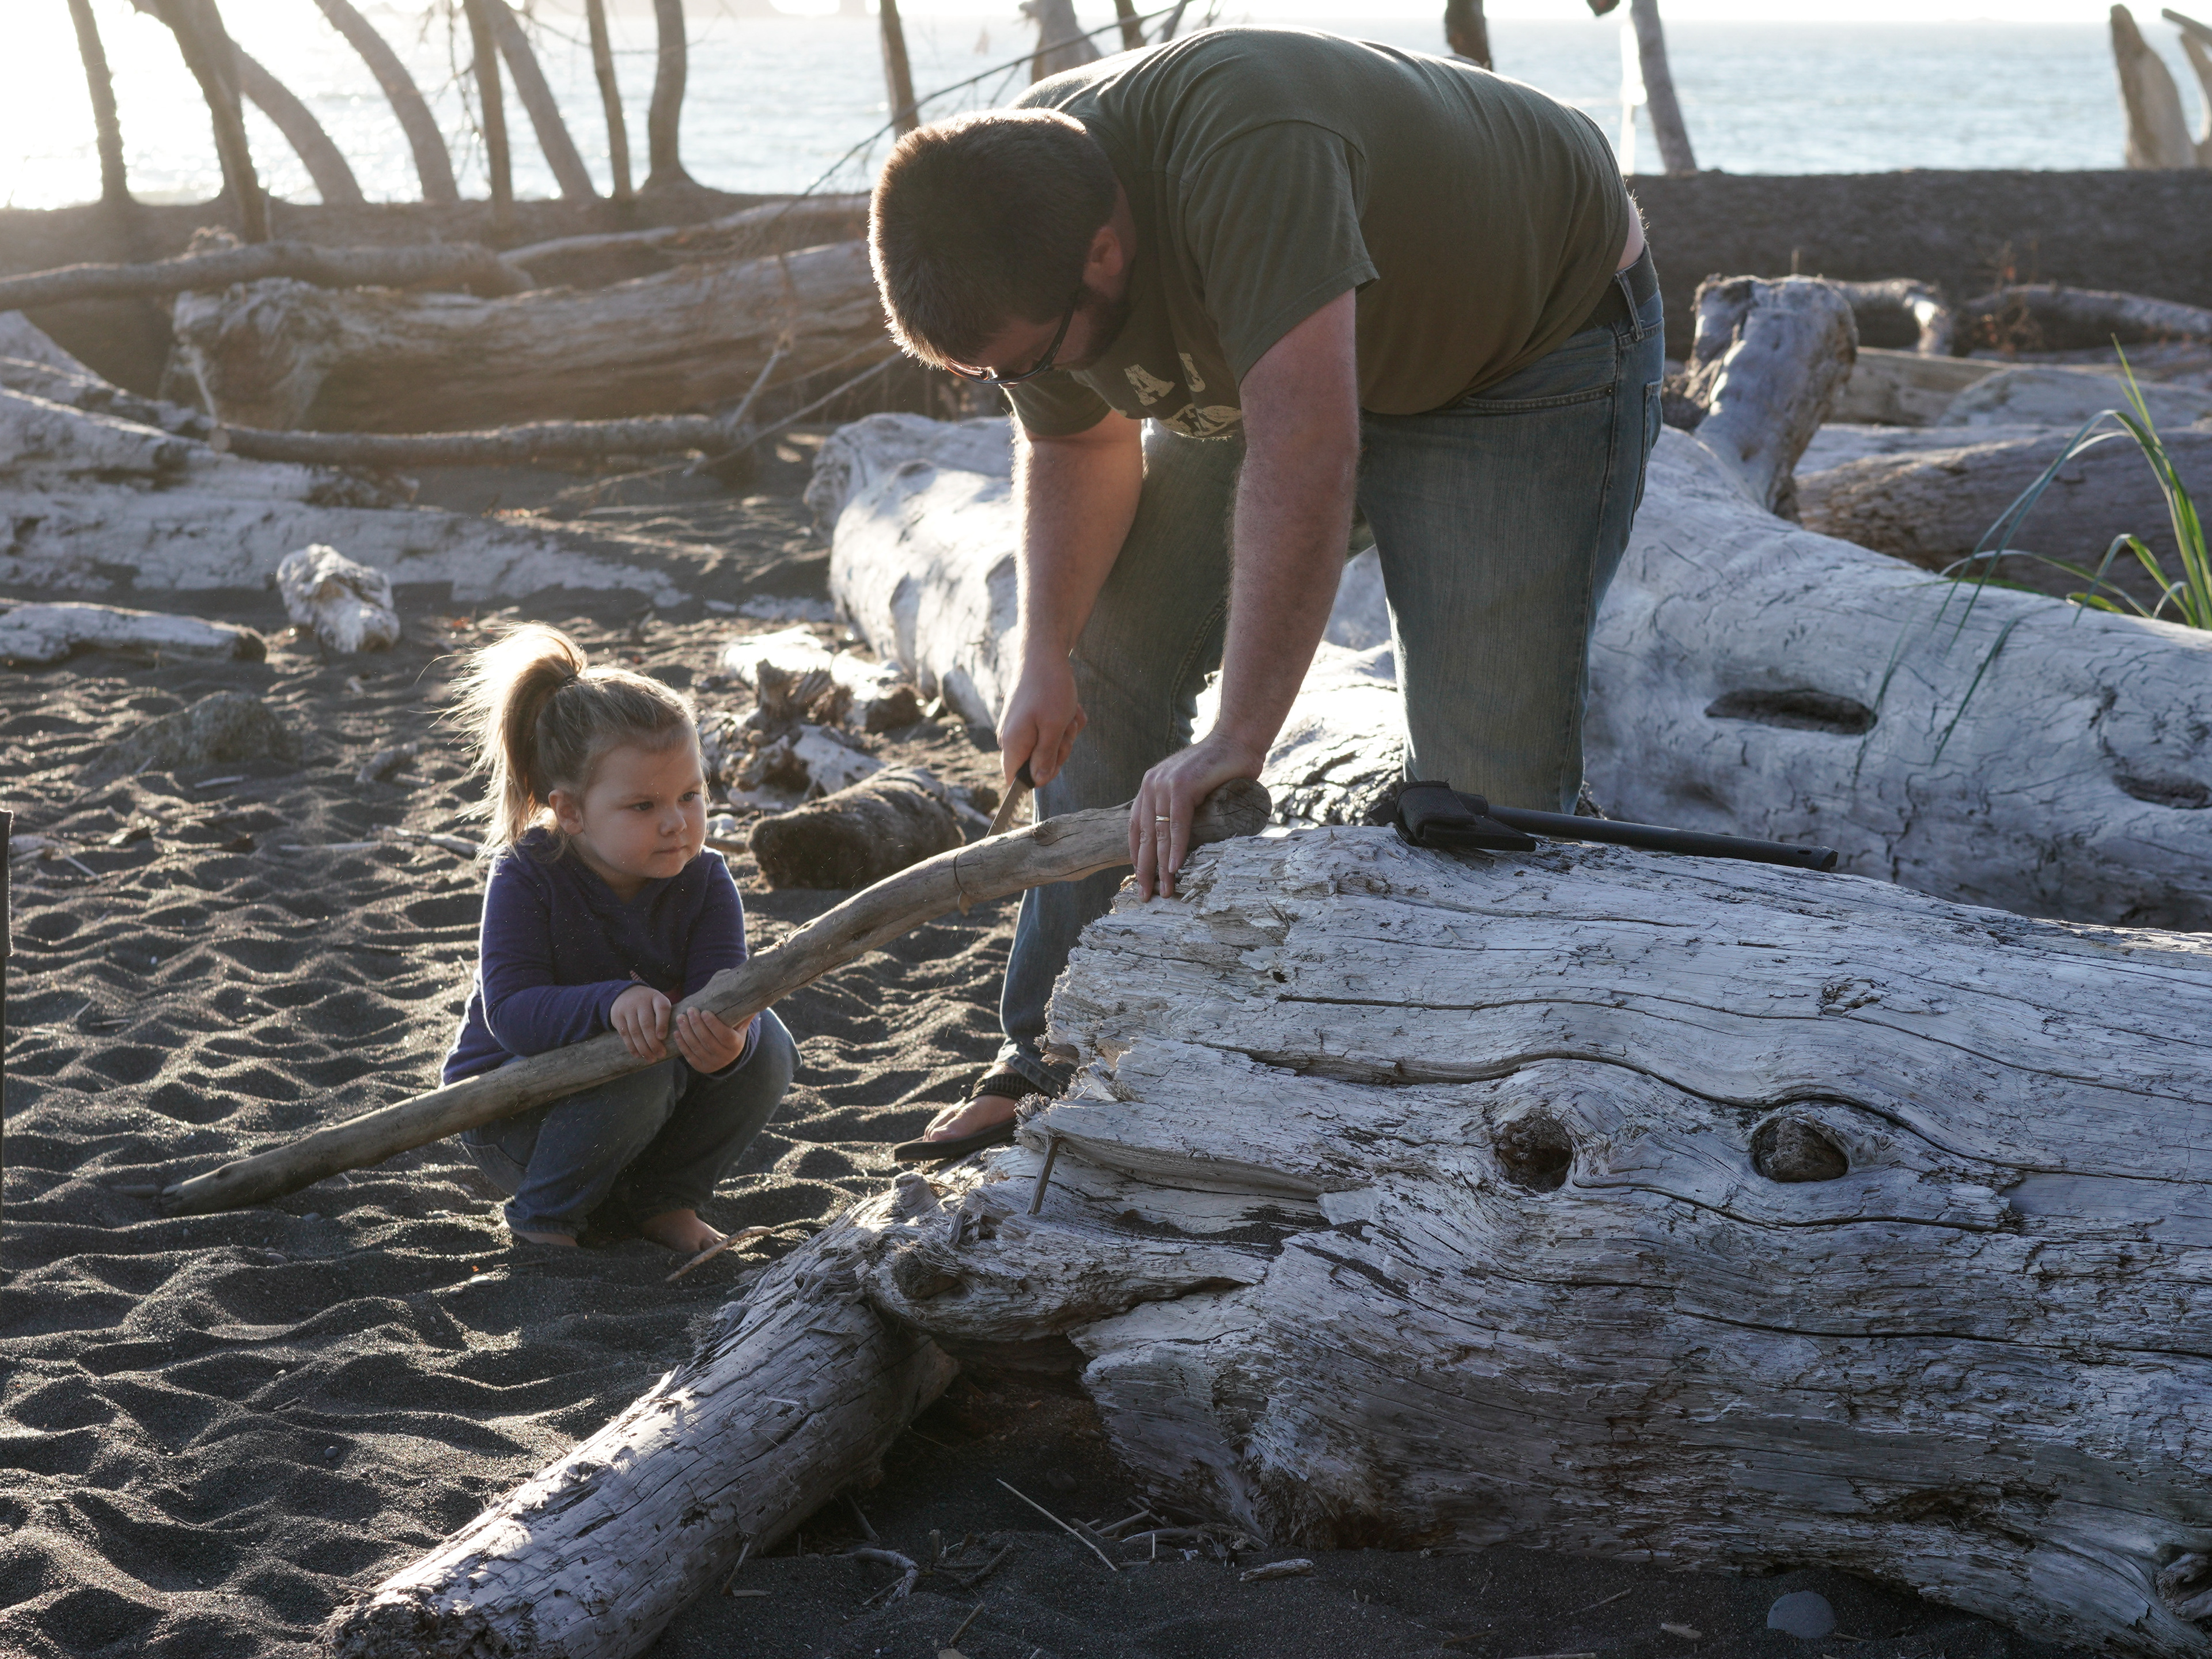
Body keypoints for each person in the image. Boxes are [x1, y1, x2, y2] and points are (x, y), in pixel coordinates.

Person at [868, 26, 1663, 1160]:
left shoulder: (1247, 150)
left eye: (1028, 361)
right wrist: (1044, 653)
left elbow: (1308, 450)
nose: (1022, 383)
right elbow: (1082, 445)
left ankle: (1494, 1079)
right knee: (1103, 662)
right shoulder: (1006, 201)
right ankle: (1051, 1047)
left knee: (1485, 790)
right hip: (1275, 369)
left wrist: (1237, 741)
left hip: (1522, 342)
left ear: (1106, 254)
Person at [441, 624, 796, 1249]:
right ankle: (544, 1218)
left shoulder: (706, 880)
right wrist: (609, 1002)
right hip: (517, 1117)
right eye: (644, 807)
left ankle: (664, 1201)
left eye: (690, 795)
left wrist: (727, 1045)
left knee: (769, 1043)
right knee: (639, 1062)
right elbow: (512, 1014)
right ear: (571, 811)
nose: (676, 823)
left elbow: (721, 994)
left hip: (641, 1112)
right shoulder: (527, 874)